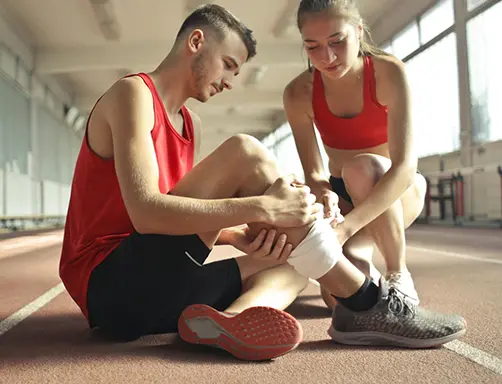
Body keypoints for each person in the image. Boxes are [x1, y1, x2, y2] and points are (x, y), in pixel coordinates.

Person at [59, 4, 466, 363]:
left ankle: (233, 320)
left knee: (294, 258)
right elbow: (147, 214)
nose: (231, 82)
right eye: (229, 65)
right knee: (245, 151)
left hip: (154, 298)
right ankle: (366, 301)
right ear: (196, 42)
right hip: (110, 287)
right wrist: (261, 208)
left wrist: (239, 236)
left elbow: (177, 219)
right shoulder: (133, 94)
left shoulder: (190, 124)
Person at [283, 0, 426, 309]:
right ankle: (362, 261)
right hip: (344, 198)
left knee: (361, 168)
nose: (327, 57)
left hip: (398, 191)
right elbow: (316, 175)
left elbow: (403, 168)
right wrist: (325, 196)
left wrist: (345, 230)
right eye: (313, 46)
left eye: (337, 41)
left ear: (359, 31)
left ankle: (398, 274)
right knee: (340, 300)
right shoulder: (299, 93)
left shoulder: (389, 72)